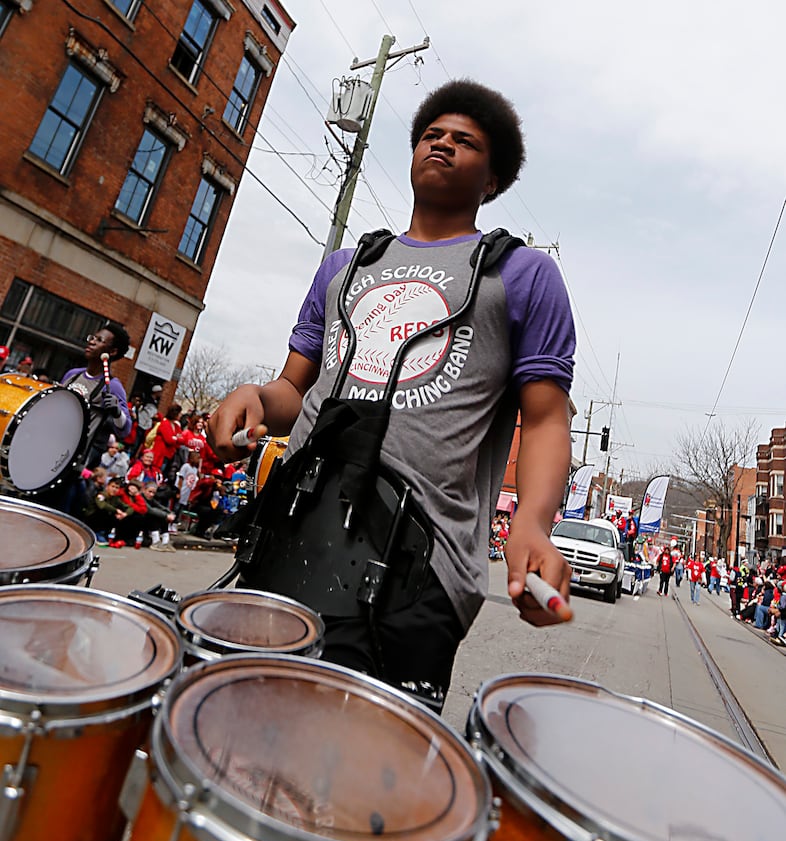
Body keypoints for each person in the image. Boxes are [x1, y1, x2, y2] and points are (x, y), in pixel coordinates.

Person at [208, 79, 576, 710]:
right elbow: (296, 387)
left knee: (357, 787)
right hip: (293, 530)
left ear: (492, 179)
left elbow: (545, 420)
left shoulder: (522, 273)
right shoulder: (343, 267)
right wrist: (256, 402)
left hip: (419, 567)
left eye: (466, 141)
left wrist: (532, 523)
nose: (443, 144)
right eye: (432, 135)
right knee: (244, 731)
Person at [61, 322, 132, 469]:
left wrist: (117, 412)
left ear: (112, 352)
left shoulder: (113, 386)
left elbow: (125, 430)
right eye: (93, 337)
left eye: (99, 340)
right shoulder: (72, 375)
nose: (92, 341)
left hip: (72, 462)